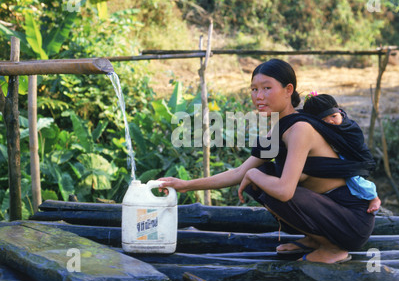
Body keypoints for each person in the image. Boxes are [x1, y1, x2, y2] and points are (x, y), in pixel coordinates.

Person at [158, 59, 375, 264]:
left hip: (351, 222)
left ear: (288, 90)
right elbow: (238, 172)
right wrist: (185, 185)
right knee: (259, 177)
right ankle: (316, 240)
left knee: (265, 180)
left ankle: (333, 249)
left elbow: (284, 192)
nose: (259, 96)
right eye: (254, 89)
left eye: (267, 88)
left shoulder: (300, 129)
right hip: (329, 215)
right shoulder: (278, 130)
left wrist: (254, 174)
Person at [302, 92, 381, 214]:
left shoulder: (348, 127)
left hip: (353, 159)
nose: (331, 122)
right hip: (339, 161)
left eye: (333, 116)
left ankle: (373, 197)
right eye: (324, 120)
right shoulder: (318, 129)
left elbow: (356, 141)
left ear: (340, 112)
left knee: (354, 179)